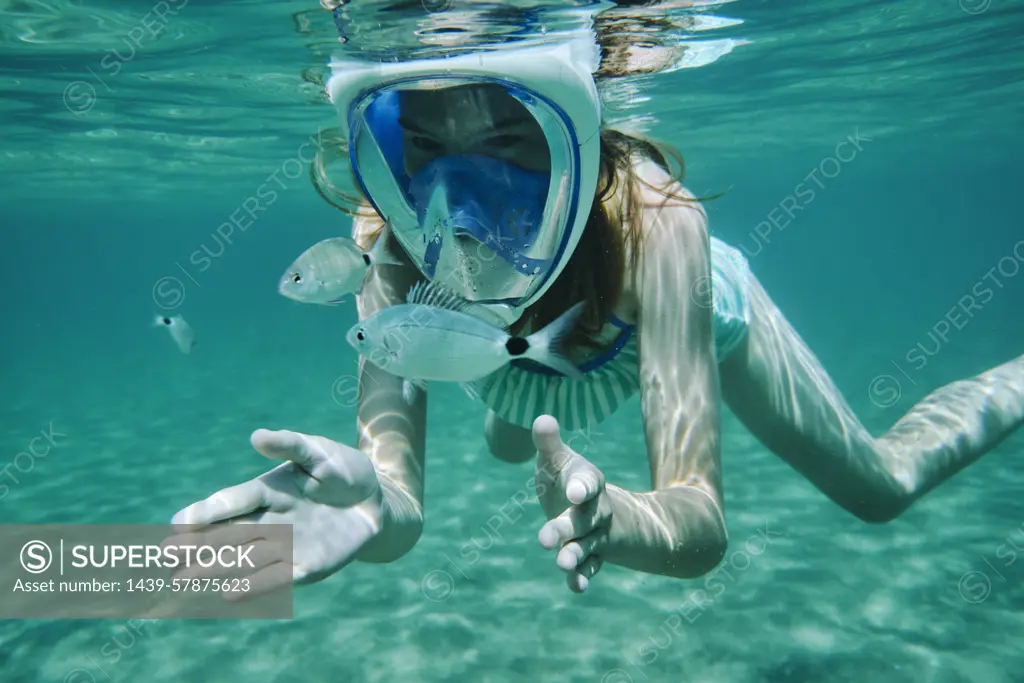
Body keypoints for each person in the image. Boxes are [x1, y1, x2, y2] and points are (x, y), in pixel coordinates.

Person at [172, 27, 1024, 595]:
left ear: (575, 141)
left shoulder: (665, 228)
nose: (457, 213)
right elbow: (394, 503)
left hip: (661, 319)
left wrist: (629, 520)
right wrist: (371, 510)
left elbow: (701, 521)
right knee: (516, 429)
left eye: (507, 146)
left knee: (879, 489)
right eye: (423, 153)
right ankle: (516, 419)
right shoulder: (386, 252)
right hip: (506, 364)